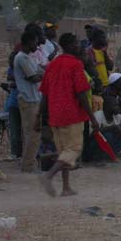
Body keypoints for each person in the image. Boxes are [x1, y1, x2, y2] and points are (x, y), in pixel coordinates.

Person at [37, 33, 100, 197]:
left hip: (54, 115)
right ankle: (48, 175)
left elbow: (45, 94)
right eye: (77, 43)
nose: (80, 46)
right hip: (71, 114)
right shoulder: (75, 65)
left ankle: (66, 187)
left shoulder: (52, 65)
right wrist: (92, 117)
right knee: (73, 149)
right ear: (71, 45)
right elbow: (81, 93)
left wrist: (38, 116)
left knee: (63, 152)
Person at [14, 32, 44, 172]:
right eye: (35, 42)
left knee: (32, 134)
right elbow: (34, 77)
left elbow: (40, 72)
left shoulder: (29, 58)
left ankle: (29, 164)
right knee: (33, 134)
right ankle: (28, 165)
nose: (36, 45)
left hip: (33, 99)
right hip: (28, 100)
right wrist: (43, 74)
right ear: (28, 42)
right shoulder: (22, 58)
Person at [4, 51, 22, 159]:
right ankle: (16, 154)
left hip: (20, 103)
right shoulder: (12, 70)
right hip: (15, 103)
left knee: (20, 132)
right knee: (15, 132)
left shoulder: (19, 70)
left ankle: (19, 154)